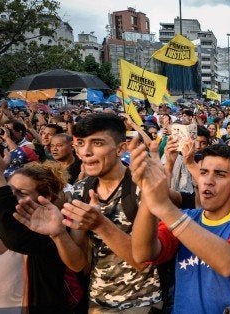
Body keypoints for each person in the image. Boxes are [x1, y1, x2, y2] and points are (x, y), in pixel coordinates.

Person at [128, 141, 230, 313]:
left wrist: (164, 207)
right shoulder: (185, 218)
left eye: (220, 174)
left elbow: (229, 262)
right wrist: (148, 193)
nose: (208, 181)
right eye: (203, 172)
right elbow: (142, 253)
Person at [0, 141, 79, 313]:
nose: (11, 198)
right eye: (9, 190)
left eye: (22, 193)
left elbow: (16, 238)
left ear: (46, 198)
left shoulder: (51, 236)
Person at [62, 113, 163, 312]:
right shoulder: (79, 190)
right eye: (81, 143)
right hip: (97, 302)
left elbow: (143, 260)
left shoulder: (143, 188)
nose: (86, 151)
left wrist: (100, 223)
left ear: (120, 149)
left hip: (141, 303)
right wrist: (56, 233)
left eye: (97, 143)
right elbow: (78, 264)